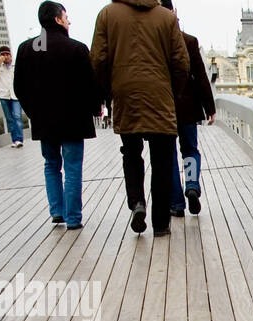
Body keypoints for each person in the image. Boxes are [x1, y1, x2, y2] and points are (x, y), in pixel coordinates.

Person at [90, 0, 189, 237]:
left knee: (131, 153)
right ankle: (161, 224)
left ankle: (137, 203)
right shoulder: (166, 17)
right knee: (163, 159)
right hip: (160, 93)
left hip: (126, 94)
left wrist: (110, 89)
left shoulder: (107, 15)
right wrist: (171, 91)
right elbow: (181, 62)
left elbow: (97, 59)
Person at [15, 2, 102, 230]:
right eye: (66, 17)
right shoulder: (77, 48)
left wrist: (33, 112)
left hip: (44, 120)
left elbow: (19, 87)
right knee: (73, 166)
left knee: (51, 164)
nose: (68, 21)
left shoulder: (26, 49)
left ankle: (57, 212)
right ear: (57, 19)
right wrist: (96, 108)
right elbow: (90, 85)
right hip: (74, 120)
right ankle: (73, 217)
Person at [159, 0, 215, 217]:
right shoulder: (189, 41)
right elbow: (201, 76)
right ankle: (191, 184)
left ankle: (176, 203)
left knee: (169, 154)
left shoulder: (154, 43)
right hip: (188, 107)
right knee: (190, 149)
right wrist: (209, 106)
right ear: (174, 12)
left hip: (163, 108)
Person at [0, 46, 25, 147]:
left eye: (7, 54)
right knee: (9, 119)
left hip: (15, 95)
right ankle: (15, 140)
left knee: (17, 116)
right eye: (3, 55)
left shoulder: (15, 65)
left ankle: (19, 139)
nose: (5, 56)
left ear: (10, 55)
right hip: (4, 95)